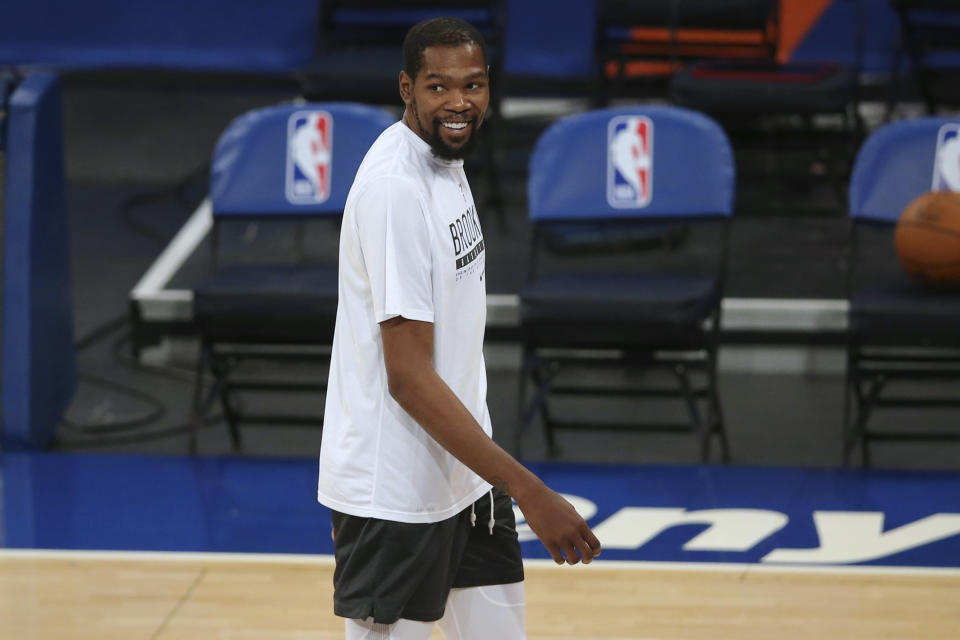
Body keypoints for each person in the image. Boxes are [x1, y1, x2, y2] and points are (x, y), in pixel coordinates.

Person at [316, 16, 601, 640]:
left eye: (471, 85)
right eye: (438, 87)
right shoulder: (396, 189)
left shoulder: (447, 158)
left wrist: (494, 478)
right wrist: (528, 489)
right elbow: (409, 380)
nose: (457, 102)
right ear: (406, 88)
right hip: (393, 498)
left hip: (467, 477)